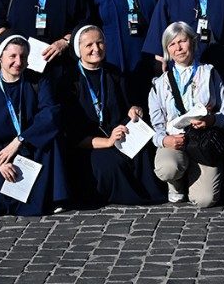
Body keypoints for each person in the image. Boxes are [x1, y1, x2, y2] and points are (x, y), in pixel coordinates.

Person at [0, 35, 68, 215]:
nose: (18, 62)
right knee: (1, 185)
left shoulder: (37, 83)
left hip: (29, 146)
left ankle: (53, 198)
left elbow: (50, 115)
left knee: (51, 141)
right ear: (0, 58)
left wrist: (21, 139)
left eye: (23, 57)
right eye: (12, 56)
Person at [61, 25, 164, 207]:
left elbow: (128, 105)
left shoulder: (114, 72)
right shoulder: (70, 80)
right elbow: (73, 135)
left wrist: (134, 110)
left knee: (142, 152)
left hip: (119, 135)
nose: (96, 49)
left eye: (100, 43)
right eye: (89, 45)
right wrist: (108, 142)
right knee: (109, 164)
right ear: (78, 50)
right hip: (89, 144)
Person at [148, 22, 224, 207]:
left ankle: (194, 176)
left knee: (205, 200)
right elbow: (156, 127)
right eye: (172, 44)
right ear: (167, 50)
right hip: (175, 143)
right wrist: (164, 141)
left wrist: (212, 120)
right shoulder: (159, 84)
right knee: (167, 168)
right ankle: (176, 183)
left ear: (192, 43)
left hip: (203, 142)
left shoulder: (209, 73)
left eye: (182, 41)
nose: (178, 48)